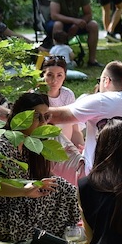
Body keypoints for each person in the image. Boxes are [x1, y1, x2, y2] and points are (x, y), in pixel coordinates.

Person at [0, 93, 81, 242]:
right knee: (51, 199)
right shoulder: (3, 146)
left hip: (19, 198)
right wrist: (24, 191)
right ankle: (48, 237)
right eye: (37, 117)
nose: (42, 123)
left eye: (45, 117)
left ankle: (69, 234)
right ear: (20, 117)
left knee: (65, 189)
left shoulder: (29, 142)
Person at [38, 55, 85, 184]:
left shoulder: (67, 94)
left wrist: (81, 149)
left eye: (60, 75)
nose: (54, 80)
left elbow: (75, 129)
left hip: (67, 147)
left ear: (65, 76)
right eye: (50, 75)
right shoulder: (35, 94)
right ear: (43, 75)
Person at [48, 0, 101, 67]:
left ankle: (92, 60)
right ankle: (56, 59)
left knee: (93, 25)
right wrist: (74, 21)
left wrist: (78, 24)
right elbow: (54, 15)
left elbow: (88, 14)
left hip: (75, 23)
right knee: (58, 24)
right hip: (56, 23)